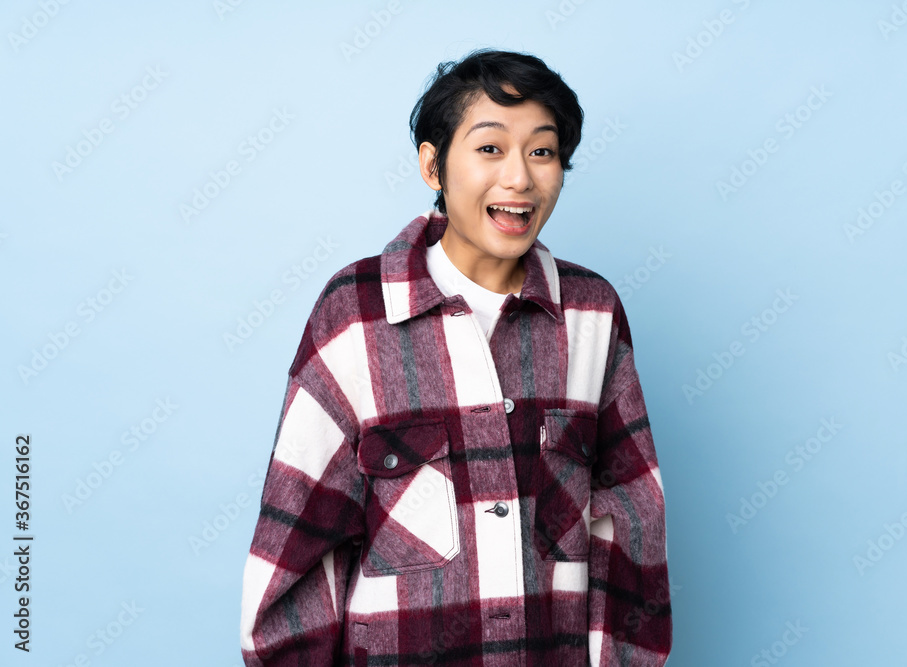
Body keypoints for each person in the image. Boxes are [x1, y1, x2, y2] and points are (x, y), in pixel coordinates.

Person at [240, 48, 672, 666]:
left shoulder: (591, 312)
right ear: (433, 165)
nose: (519, 178)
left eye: (542, 151)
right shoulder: (356, 313)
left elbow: (631, 520)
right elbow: (299, 541)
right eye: (490, 148)